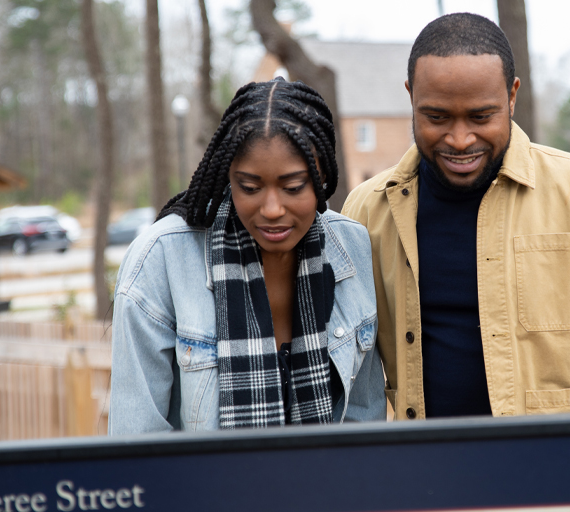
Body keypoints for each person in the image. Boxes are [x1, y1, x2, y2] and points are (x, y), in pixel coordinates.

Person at [341, 13, 570, 420]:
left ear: (512, 96)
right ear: (411, 97)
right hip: (425, 474)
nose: (460, 140)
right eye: (437, 117)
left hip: (569, 473)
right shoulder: (366, 212)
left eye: (481, 117)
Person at [110, 78, 385, 433]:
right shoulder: (161, 258)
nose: (272, 209)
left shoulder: (352, 245)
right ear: (227, 175)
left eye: (293, 187)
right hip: (207, 488)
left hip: (328, 486)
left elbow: (364, 422)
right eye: (250, 187)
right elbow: (138, 441)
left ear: (322, 177)